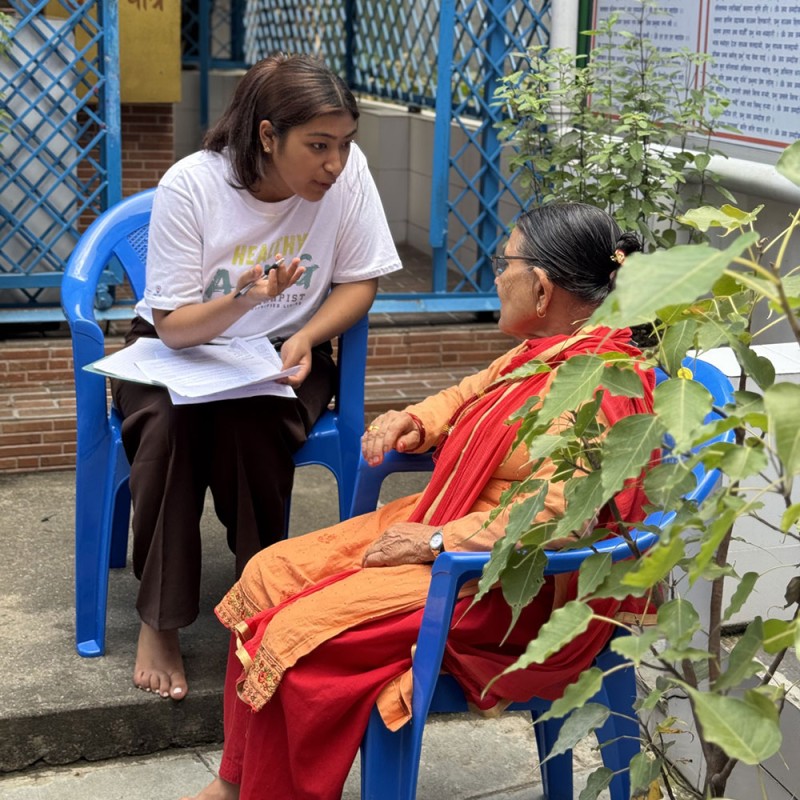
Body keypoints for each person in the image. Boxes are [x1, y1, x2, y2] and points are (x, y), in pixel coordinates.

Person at [182, 201, 653, 800]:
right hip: (452, 526)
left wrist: (435, 543)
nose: (495, 274)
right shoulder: (550, 350)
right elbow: (467, 393)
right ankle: (236, 782)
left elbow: (561, 515)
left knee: (302, 631)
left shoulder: (602, 385)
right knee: (270, 571)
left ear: (540, 287)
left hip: (501, 583)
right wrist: (415, 419)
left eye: (504, 261)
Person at [111, 54, 402, 701]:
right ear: (268, 136)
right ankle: (161, 619)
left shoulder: (346, 180)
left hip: (281, 353)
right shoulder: (194, 185)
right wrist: (242, 301)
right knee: (170, 424)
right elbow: (175, 323)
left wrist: (305, 332)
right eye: (318, 146)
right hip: (175, 346)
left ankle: (264, 595)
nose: (335, 163)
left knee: (253, 422)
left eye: (344, 144)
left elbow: (360, 282)